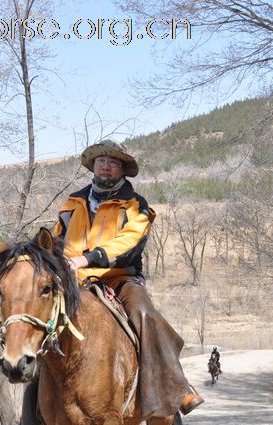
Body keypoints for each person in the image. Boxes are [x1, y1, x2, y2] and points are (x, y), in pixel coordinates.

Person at [48, 140, 204, 419]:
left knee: (144, 314)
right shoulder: (72, 202)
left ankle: (176, 387)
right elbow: (56, 240)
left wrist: (88, 258)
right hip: (74, 281)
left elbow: (128, 243)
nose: (106, 166)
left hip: (119, 279)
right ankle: (35, 409)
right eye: (101, 161)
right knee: (40, 327)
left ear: (122, 170)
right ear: (93, 165)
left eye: (113, 162)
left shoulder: (136, 205)